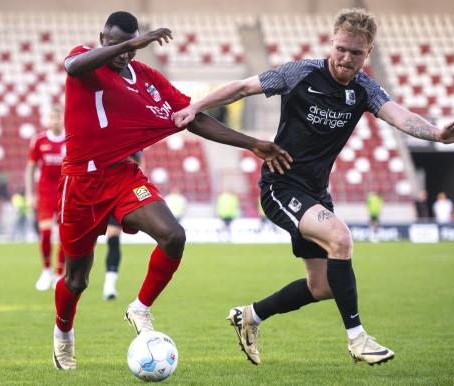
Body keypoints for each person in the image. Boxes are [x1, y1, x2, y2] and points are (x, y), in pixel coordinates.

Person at [173, 8, 454, 366]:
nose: (346, 58)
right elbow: (241, 87)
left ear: (368, 52)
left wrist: (438, 134)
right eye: (342, 49)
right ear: (332, 43)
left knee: (323, 287)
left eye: (356, 53)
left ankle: (249, 317)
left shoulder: (365, 89)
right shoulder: (300, 73)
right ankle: (358, 339)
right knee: (341, 238)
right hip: (281, 186)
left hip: (315, 192)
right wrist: (195, 105)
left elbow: (400, 116)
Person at [52, 11, 291, 370]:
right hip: (81, 183)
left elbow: (190, 116)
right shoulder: (85, 59)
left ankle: (139, 308)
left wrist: (252, 143)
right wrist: (133, 43)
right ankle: (64, 334)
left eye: (129, 47)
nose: (124, 53)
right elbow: (72, 66)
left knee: (173, 235)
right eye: (115, 44)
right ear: (103, 38)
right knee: (76, 279)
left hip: (122, 177)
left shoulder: (147, 78)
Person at [25, 105, 66, 291]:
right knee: (46, 233)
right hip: (46, 192)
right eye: (51, 117)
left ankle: (59, 273)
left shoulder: (71, 139)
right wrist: (29, 193)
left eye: (58, 117)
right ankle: (46, 270)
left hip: (66, 191)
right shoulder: (39, 140)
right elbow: (30, 168)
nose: (55, 121)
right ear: (47, 120)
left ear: (63, 118)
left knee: (65, 236)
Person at [102, 151, 143, 301]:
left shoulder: (133, 141)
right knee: (85, 244)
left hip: (118, 194)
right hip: (96, 191)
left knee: (113, 239)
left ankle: (109, 285)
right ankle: (71, 280)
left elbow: (138, 161)